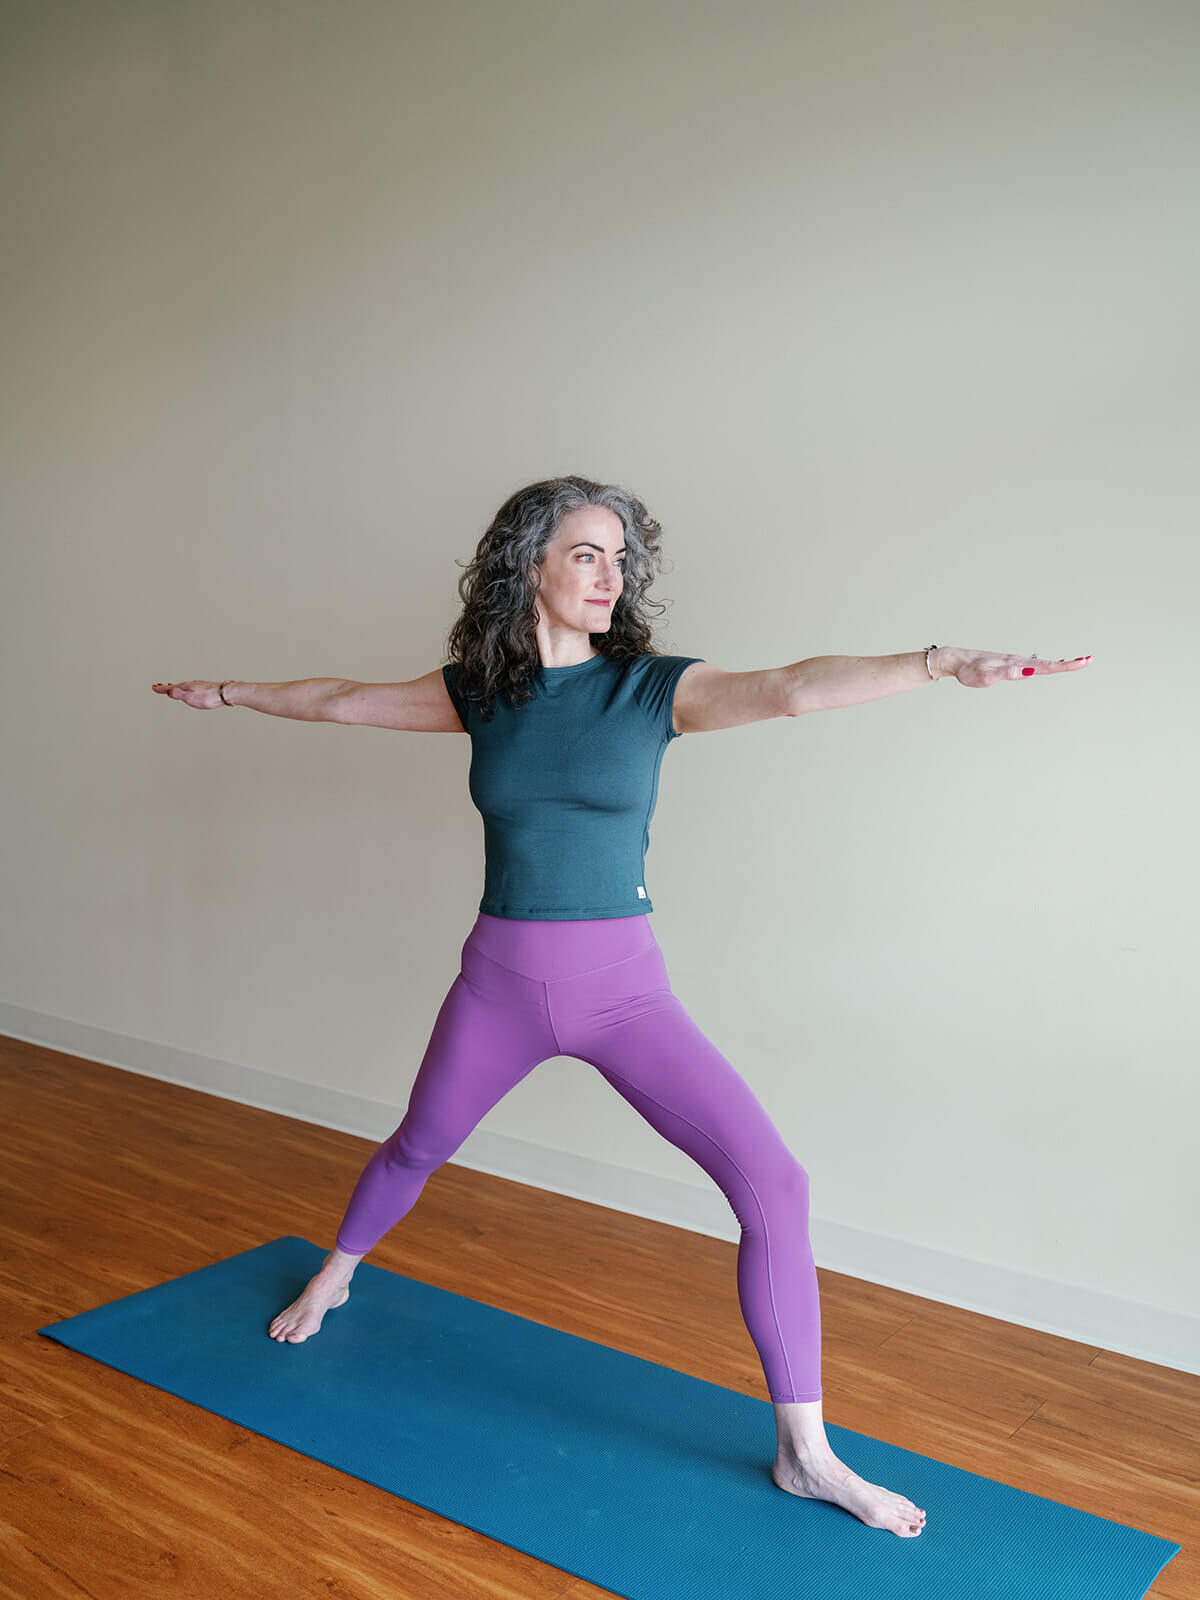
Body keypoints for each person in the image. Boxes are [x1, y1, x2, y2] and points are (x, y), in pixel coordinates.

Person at [153, 474, 1091, 1538]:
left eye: (620, 557)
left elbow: (790, 687)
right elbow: (341, 700)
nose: (611, 574)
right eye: (587, 553)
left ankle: (807, 1451)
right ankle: (336, 1277)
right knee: (417, 1144)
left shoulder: (652, 688)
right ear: (532, 567)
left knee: (776, 1184)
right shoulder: (481, 691)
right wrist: (230, 692)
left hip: (624, 993)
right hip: (501, 983)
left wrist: (934, 662)